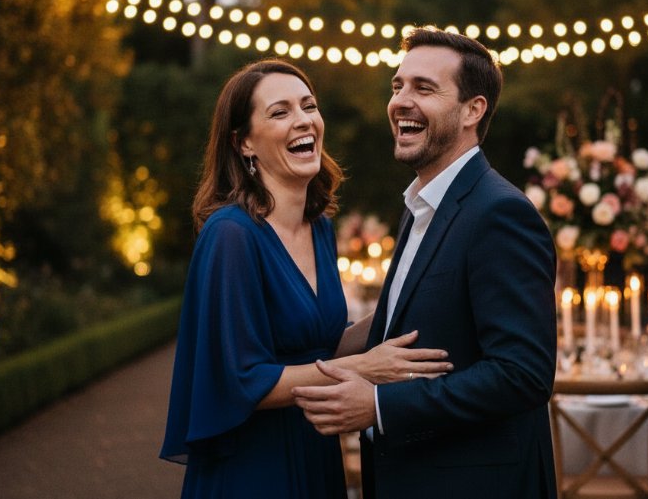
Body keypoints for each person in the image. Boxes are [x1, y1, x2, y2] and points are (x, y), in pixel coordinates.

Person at [159, 59, 453, 499]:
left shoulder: (319, 229)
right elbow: (242, 381)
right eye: (279, 113)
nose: (303, 121)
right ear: (244, 144)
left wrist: (411, 298)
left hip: (315, 449)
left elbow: (320, 345)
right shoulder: (232, 236)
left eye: (308, 106)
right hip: (254, 467)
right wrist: (361, 369)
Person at [293, 28, 558, 498]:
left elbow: (523, 374)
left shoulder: (500, 212)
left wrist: (378, 405)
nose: (400, 101)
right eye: (398, 86)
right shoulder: (423, 206)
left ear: (472, 110)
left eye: (424, 88)